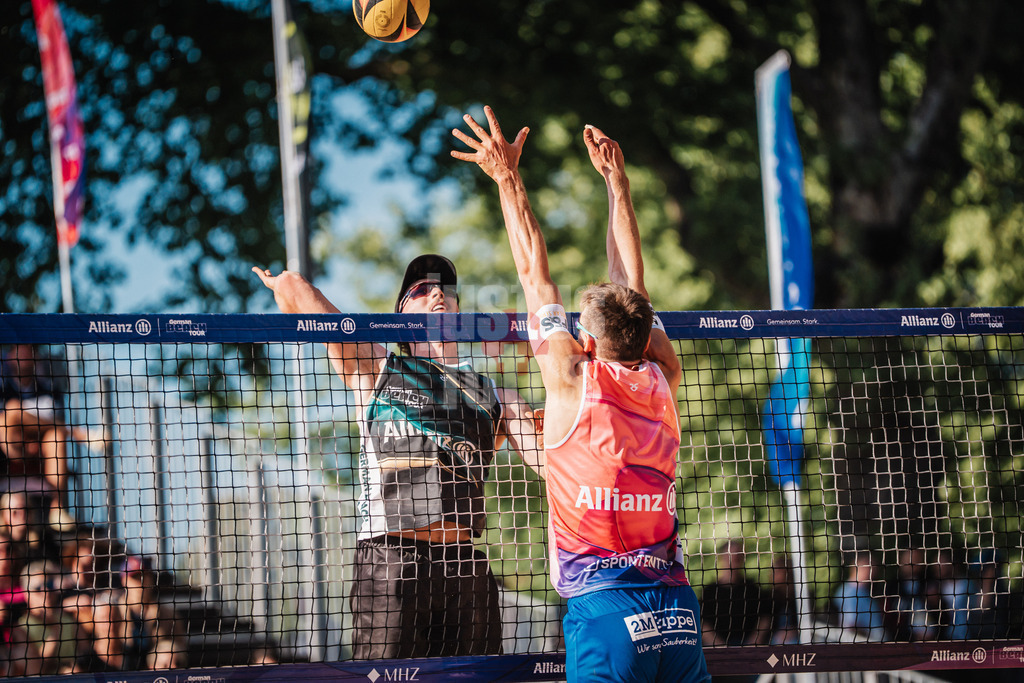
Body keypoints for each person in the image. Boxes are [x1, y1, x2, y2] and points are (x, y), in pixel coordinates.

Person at [452, 105, 709, 681]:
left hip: (604, 612)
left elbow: (533, 273)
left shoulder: (572, 378)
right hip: (676, 610)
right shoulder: (663, 374)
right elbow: (633, 288)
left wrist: (507, 178)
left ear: (587, 344)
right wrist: (618, 184)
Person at [252, 257, 540, 659]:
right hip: (391, 560)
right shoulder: (378, 366)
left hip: (464, 565)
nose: (438, 292)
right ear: (400, 315)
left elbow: (549, 460)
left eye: (447, 290)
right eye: (421, 290)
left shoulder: (493, 392)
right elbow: (302, 296)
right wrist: (288, 285)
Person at [699, 539, 773, 647]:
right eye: (730, 556)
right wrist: (721, 647)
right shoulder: (709, 592)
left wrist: (753, 643)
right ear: (722, 558)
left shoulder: (752, 589)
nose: (734, 559)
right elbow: (703, 624)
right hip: (718, 649)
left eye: (738, 555)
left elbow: (765, 618)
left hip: (749, 647)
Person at [832, 549, 890, 641]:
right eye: (870, 567)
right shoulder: (850, 592)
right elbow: (851, 625)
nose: (873, 572)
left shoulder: (865, 591)